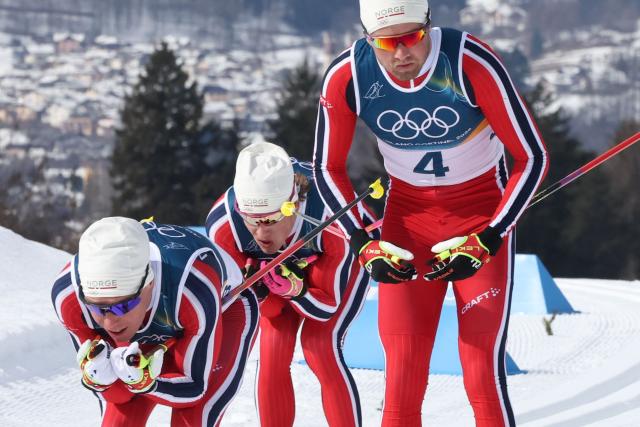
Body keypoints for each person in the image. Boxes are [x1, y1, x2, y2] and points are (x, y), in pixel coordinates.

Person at [312, 1, 549, 426]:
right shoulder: (347, 76)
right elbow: (326, 168)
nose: (402, 53)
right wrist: (363, 242)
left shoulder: (470, 61)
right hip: (406, 224)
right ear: (368, 38)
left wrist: (491, 235)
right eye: (387, 42)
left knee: (481, 376)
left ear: (428, 26)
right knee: (401, 380)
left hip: (478, 217)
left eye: (413, 37)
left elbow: (530, 157)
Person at [205, 142, 374, 427]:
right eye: (251, 220)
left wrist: (297, 290)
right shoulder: (224, 224)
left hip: (336, 262)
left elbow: (326, 308)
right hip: (286, 269)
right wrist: (260, 293)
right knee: (272, 350)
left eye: (270, 219)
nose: (261, 233)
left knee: (320, 346)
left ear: (293, 206)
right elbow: (263, 311)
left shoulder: (330, 217)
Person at [51, 216, 259, 427]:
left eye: (122, 306)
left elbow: (194, 389)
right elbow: (118, 397)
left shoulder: (192, 287)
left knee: (194, 419)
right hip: (158, 320)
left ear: (149, 284)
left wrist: (146, 384)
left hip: (223, 311)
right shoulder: (68, 298)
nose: (110, 322)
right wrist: (101, 382)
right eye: (97, 307)